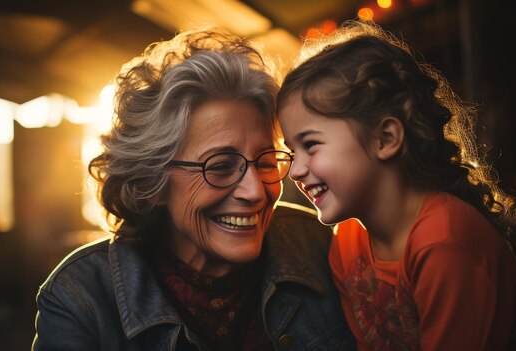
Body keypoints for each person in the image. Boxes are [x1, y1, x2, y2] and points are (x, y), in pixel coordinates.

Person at [32, 28, 355, 350]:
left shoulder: (321, 245)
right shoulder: (81, 297)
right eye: (219, 166)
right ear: (152, 183)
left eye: (267, 162)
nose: (255, 191)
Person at [277, 20, 516, 350]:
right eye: (291, 150)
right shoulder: (346, 245)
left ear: (385, 138)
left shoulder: (443, 242)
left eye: (311, 145)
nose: (295, 170)